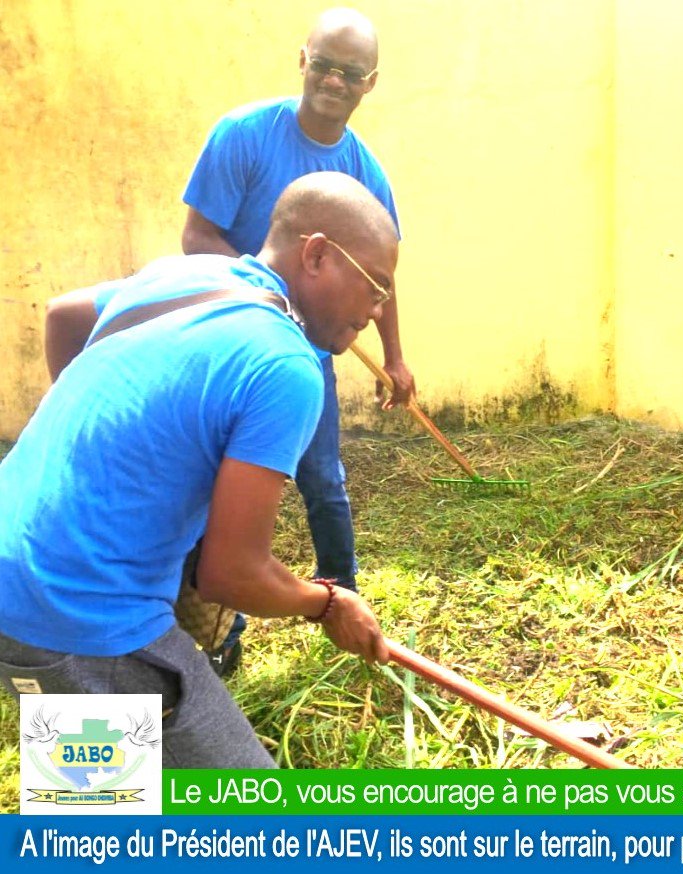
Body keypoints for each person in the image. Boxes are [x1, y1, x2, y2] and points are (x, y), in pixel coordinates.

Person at [0, 172, 396, 767]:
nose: (376, 310)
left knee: (97, 811)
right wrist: (328, 604)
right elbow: (232, 576)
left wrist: (121, 456)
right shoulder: (285, 364)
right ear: (316, 253)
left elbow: (63, 316)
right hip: (80, 608)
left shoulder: (184, 274)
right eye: (375, 286)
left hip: (16, 561)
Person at [181, 9, 414, 671]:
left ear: (370, 83)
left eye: (351, 73)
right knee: (207, 490)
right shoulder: (244, 135)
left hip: (303, 354)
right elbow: (199, 238)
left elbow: (380, 276)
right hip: (231, 347)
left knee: (320, 478)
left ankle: (344, 596)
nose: (334, 81)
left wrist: (393, 355)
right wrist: (267, 308)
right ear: (302, 59)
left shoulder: (365, 172)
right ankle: (217, 634)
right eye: (325, 64)